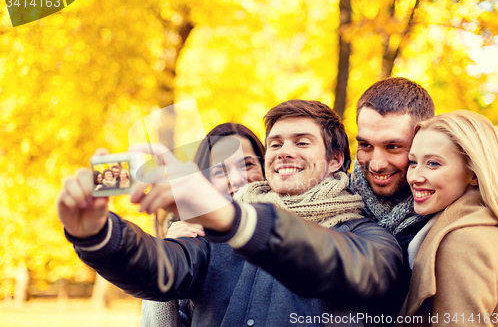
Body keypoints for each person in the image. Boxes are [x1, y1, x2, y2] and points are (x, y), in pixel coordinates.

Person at [57, 100, 403, 326]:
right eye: (276, 143)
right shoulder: (211, 234)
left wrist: (235, 219)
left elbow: (348, 267)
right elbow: (160, 267)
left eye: (301, 142)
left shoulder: (370, 239)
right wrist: (99, 235)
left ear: (335, 160)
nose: (283, 152)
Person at [141, 122, 266, 327]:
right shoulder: (193, 242)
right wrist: (167, 255)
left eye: (248, 165)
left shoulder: (291, 231)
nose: (237, 179)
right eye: (220, 171)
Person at [397, 111, 498, 326]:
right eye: (413, 162)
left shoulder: (463, 241)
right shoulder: (485, 226)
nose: (415, 177)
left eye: (433, 163)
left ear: (473, 173)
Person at [349, 77, 435, 292]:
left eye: (393, 146)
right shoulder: (335, 203)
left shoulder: (448, 217)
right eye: (365, 145)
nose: (376, 165)